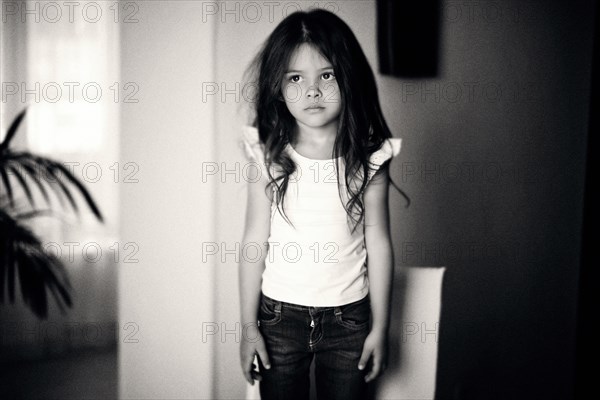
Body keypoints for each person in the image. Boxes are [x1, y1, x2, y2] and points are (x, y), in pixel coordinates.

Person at [238, 9, 403, 400]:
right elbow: (252, 241)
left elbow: (378, 242)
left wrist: (380, 327)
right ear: (278, 87)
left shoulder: (369, 155)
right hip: (278, 317)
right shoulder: (268, 154)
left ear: (349, 78)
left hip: (349, 319)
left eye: (326, 75)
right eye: (296, 78)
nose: (312, 91)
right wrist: (247, 327)